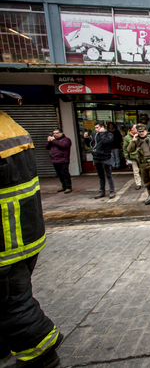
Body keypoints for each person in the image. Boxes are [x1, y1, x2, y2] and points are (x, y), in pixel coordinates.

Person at [0, 111, 63, 368]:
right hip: (22, 234)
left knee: (12, 304)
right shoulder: (9, 126)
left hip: (6, 241)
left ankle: (41, 355)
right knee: (14, 298)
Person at [84, 121, 116, 199]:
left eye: (97, 128)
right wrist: (86, 138)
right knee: (100, 176)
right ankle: (102, 191)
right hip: (96, 157)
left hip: (105, 157)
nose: (96, 129)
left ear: (102, 127)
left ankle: (111, 190)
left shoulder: (109, 134)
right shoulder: (94, 135)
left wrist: (102, 133)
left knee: (108, 175)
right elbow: (90, 144)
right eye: (95, 128)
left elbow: (106, 142)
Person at [45, 128, 72, 194]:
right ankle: (64, 186)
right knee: (59, 174)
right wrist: (49, 141)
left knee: (65, 173)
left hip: (63, 160)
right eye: (54, 133)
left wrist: (53, 140)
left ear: (61, 133)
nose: (55, 135)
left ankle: (68, 187)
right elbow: (47, 147)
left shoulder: (66, 140)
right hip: (55, 160)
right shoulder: (53, 141)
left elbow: (63, 146)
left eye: (57, 133)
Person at [122, 124, 142, 190]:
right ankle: (138, 183)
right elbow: (125, 148)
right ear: (132, 130)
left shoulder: (141, 135)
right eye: (136, 128)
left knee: (144, 170)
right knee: (136, 171)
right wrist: (126, 157)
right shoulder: (127, 138)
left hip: (141, 155)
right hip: (133, 156)